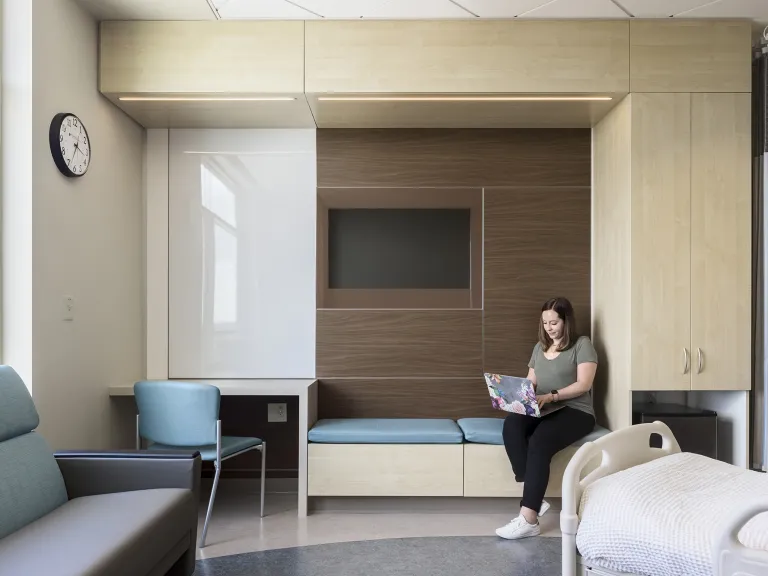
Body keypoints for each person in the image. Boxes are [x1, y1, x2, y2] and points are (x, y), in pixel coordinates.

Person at [495, 297, 597, 540]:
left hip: (576, 410)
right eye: (545, 323)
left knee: (539, 441)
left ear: (566, 321)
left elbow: (584, 384)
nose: (549, 328)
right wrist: (512, 396)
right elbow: (531, 382)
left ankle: (529, 519)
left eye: (554, 323)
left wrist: (551, 396)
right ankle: (534, 497)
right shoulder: (539, 348)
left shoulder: (582, 345)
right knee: (512, 424)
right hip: (544, 407)